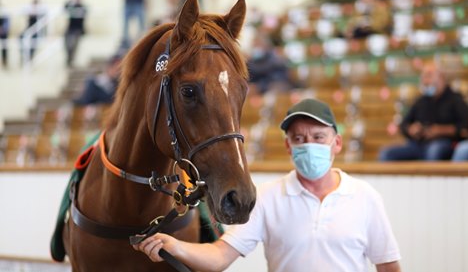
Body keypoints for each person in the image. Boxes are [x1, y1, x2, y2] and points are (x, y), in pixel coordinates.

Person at [134, 98, 402, 272]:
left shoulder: (365, 197)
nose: (309, 145)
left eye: (318, 137)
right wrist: (172, 245)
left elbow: (389, 266)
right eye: (299, 138)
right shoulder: (268, 197)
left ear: (337, 143)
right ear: (288, 145)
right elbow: (218, 257)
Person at [379, 63, 468, 161]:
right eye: (423, 76)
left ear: (441, 78)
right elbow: (404, 124)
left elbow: (466, 125)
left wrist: (440, 130)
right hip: (419, 144)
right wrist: (411, 129)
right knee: (387, 153)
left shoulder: (455, 99)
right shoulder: (420, 101)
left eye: (429, 76)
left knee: (434, 150)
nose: (425, 80)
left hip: (445, 143)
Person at [19, 0, 47, 65]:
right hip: (29, 28)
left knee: (33, 42)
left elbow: (45, 17)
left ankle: (30, 57)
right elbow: (23, 11)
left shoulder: (41, 8)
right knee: (21, 38)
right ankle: (24, 56)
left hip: (37, 29)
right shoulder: (29, 7)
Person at [64, 0, 87, 67]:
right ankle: (68, 59)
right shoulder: (71, 6)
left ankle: (71, 60)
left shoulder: (82, 7)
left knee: (73, 45)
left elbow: (84, 12)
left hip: (77, 30)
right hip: (70, 29)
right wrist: (71, 1)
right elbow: (65, 7)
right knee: (67, 45)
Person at [0, 0, 9, 69]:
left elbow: (7, 22)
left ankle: (4, 61)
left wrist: (3, 29)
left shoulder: (4, 10)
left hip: (2, 32)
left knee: (4, 46)